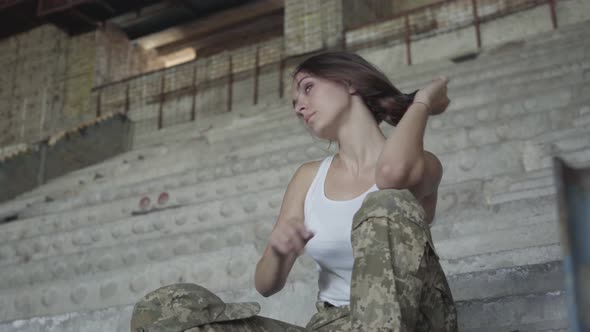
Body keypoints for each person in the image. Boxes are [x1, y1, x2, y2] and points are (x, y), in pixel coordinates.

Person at [130, 51, 458, 332]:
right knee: (165, 310)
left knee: (384, 202)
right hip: (332, 323)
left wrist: (423, 101)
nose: (300, 106)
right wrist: (277, 250)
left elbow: (391, 173)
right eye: (295, 102)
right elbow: (266, 285)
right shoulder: (307, 177)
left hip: (413, 320)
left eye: (308, 88)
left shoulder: (423, 165)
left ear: (349, 82)